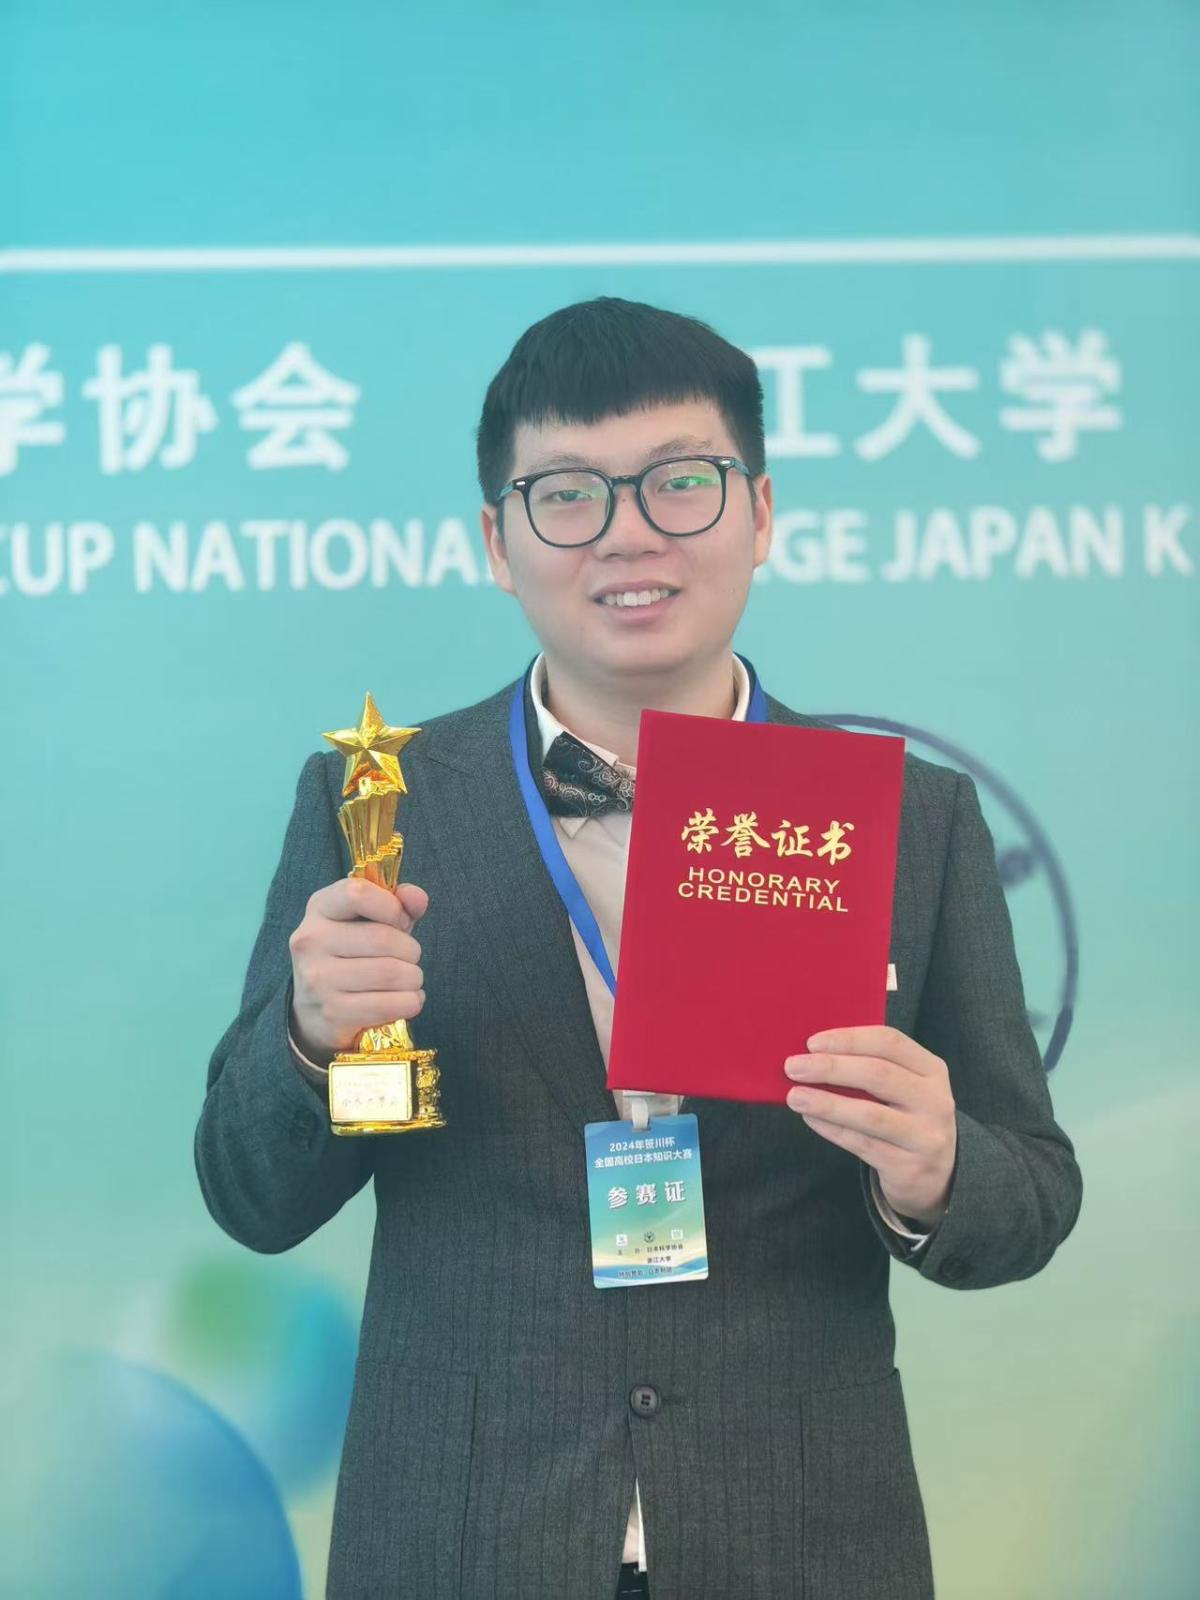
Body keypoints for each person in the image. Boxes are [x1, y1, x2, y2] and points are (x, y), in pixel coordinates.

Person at [195, 296, 1083, 1600]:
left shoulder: (908, 822)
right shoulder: (378, 803)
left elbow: (1034, 1195)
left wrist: (939, 1170)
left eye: (681, 482)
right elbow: (252, 1197)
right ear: (498, 542)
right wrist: (309, 1041)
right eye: (567, 494)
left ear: (760, 513)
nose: (628, 533)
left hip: (799, 1535)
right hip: (463, 1535)